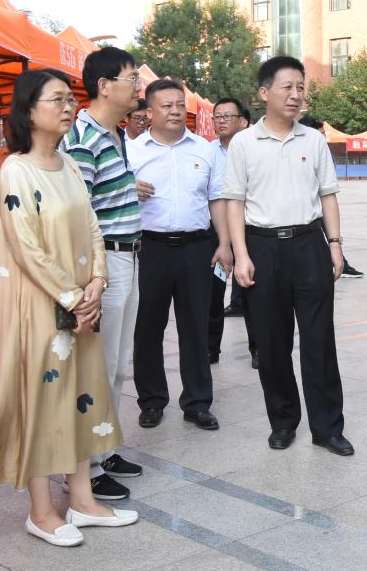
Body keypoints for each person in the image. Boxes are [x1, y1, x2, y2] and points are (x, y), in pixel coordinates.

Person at [0, 69, 138, 547]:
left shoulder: (68, 164)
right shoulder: (16, 170)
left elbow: (92, 225)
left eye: (71, 99)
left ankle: (83, 500)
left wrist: (97, 283)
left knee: (82, 393)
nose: (69, 106)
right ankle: (41, 511)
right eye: (57, 99)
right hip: (39, 306)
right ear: (28, 111)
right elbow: (25, 248)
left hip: (80, 303)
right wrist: (73, 297)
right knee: (44, 400)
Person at [222, 55, 353, 456]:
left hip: (309, 244)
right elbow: (234, 202)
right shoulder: (244, 143)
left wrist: (335, 244)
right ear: (264, 93)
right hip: (262, 247)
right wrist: (241, 255)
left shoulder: (312, 139)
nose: (296, 95)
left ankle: (327, 428)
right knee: (271, 342)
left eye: (300, 87)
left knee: (319, 340)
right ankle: (282, 422)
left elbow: (327, 195)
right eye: (287, 87)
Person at [60, 47, 145, 500]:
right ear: (104, 86)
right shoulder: (82, 139)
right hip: (104, 263)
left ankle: (105, 446)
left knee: (116, 364)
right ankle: (87, 468)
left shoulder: (115, 134)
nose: (138, 87)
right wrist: (92, 277)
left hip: (128, 256)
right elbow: (78, 215)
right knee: (98, 365)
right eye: (132, 78)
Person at [130, 79, 230, 431]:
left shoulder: (204, 149)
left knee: (195, 326)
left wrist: (225, 243)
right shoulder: (132, 152)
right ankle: (151, 401)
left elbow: (217, 199)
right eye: (166, 105)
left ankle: (198, 403)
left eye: (178, 104)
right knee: (147, 327)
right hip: (150, 247)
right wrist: (129, 190)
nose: (175, 111)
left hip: (197, 247)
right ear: (149, 112)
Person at [208, 97, 257, 369]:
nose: (222, 121)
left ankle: (258, 348)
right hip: (216, 233)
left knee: (252, 291)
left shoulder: (254, 150)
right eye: (218, 116)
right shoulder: (207, 152)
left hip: (250, 230)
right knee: (213, 292)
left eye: (228, 116)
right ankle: (210, 349)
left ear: (243, 121)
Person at [299, 115, 364, 279]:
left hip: (320, 203)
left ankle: (341, 263)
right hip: (307, 209)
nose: (323, 137)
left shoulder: (319, 149)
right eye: (321, 133)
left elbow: (328, 189)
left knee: (330, 234)